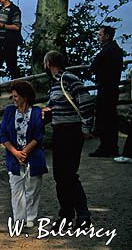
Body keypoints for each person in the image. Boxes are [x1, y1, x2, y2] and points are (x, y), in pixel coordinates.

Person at [43, 51, 94, 230]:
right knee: (60, 176)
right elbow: (53, 106)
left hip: (71, 133)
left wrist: (86, 128)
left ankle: (82, 215)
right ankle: (66, 215)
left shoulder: (68, 79)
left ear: (48, 63)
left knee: (69, 174)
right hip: (60, 132)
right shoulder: (56, 84)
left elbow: (86, 102)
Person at [0, 81, 48, 228]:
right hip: (13, 156)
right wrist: (15, 153)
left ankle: (30, 218)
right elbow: (3, 135)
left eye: (16, 96)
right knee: (16, 189)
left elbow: (38, 136)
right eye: (12, 96)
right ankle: (18, 220)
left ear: (25, 97)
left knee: (32, 189)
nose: (13, 99)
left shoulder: (36, 112)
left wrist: (25, 152)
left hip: (33, 155)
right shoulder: (9, 111)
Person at [88, 26, 124, 157]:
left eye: (100, 35)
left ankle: (105, 147)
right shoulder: (117, 50)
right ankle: (111, 146)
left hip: (105, 88)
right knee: (111, 119)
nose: (99, 37)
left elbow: (93, 66)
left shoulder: (107, 50)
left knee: (104, 118)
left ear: (107, 36)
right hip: (113, 88)